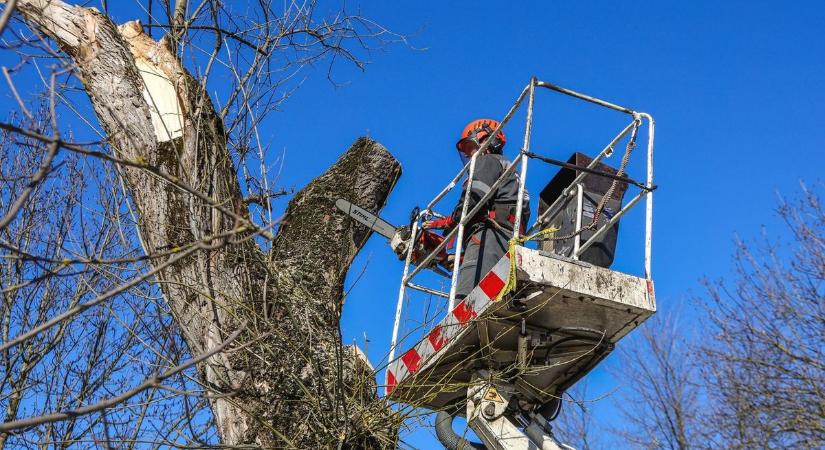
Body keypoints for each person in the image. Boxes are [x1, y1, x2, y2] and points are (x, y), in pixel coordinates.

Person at [423, 119, 530, 300]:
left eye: (470, 147)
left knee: (467, 302)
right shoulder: (509, 170)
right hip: (506, 242)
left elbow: (473, 199)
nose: (469, 155)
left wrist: (450, 221)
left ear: (486, 140)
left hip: (488, 238)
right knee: (495, 298)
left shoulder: (488, 161)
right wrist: (458, 257)